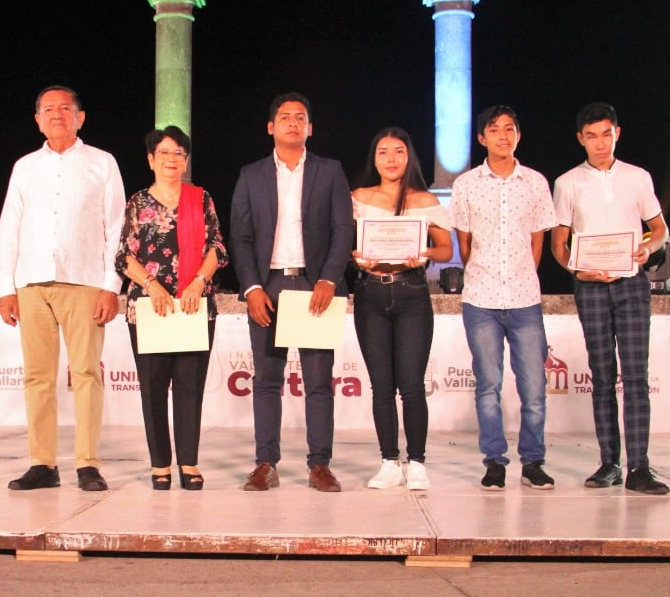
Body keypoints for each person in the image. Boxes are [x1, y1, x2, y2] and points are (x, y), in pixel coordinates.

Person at [0, 86, 125, 492]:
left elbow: (117, 228)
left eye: (65, 108)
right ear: (37, 119)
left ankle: (87, 463)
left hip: (84, 280)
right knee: (37, 376)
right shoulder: (25, 167)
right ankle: (43, 464)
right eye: (48, 109)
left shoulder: (102, 163)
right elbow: (9, 227)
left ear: (80, 117)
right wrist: (5, 287)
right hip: (31, 282)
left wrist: (111, 285)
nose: (57, 115)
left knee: (86, 372)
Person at [230, 92, 354, 493]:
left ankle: (320, 464)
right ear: (271, 126)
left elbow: (342, 230)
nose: (293, 123)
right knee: (267, 379)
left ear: (310, 128)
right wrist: (250, 286)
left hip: (316, 284)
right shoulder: (251, 175)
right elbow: (241, 236)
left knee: (319, 380)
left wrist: (330, 279)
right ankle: (266, 463)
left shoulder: (330, 171)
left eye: (301, 118)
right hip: (269, 287)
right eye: (285, 117)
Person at [551, 102, 669, 494]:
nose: (600, 143)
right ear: (580, 139)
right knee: (602, 377)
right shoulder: (568, 182)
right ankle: (609, 464)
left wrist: (647, 249)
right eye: (591, 136)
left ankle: (640, 467)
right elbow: (559, 241)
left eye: (606, 134)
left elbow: (659, 229)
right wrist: (574, 269)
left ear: (617, 132)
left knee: (635, 377)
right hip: (590, 285)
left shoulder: (638, 177)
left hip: (631, 283)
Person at [449, 105, 558, 491]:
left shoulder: (535, 182)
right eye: (494, 130)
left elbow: (538, 240)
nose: (502, 136)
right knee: (488, 385)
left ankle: (533, 462)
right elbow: (464, 243)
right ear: (482, 138)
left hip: (525, 297)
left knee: (533, 388)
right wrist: (483, 271)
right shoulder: (465, 185)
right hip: (480, 298)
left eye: (509, 129)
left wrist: (521, 274)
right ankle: (494, 461)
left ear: (518, 135)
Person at [117, 126, 228, 491]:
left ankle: (189, 462)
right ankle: (160, 463)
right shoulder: (137, 203)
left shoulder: (201, 199)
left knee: (190, 386)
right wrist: (150, 284)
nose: (170, 159)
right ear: (151, 159)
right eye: (163, 153)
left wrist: (198, 281)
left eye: (178, 153)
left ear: (186, 160)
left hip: (194, 305)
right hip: (151, 309)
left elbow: (218, 247)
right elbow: (124, 257)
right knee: (152, 388)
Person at [351, 127, 453, 491]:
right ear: (374, 158)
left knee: (411, 385)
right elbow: (345, 244)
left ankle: (418, 463)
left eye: (398, 151)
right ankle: (389, 461)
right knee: (381, 386)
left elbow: (445, 248)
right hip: (370, 295)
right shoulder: (358, 197)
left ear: (409, 156)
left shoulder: (424, 200)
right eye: (383, 152)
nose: (390, 159)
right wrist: (357, 258)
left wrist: (423, 253)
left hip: (411, 293)